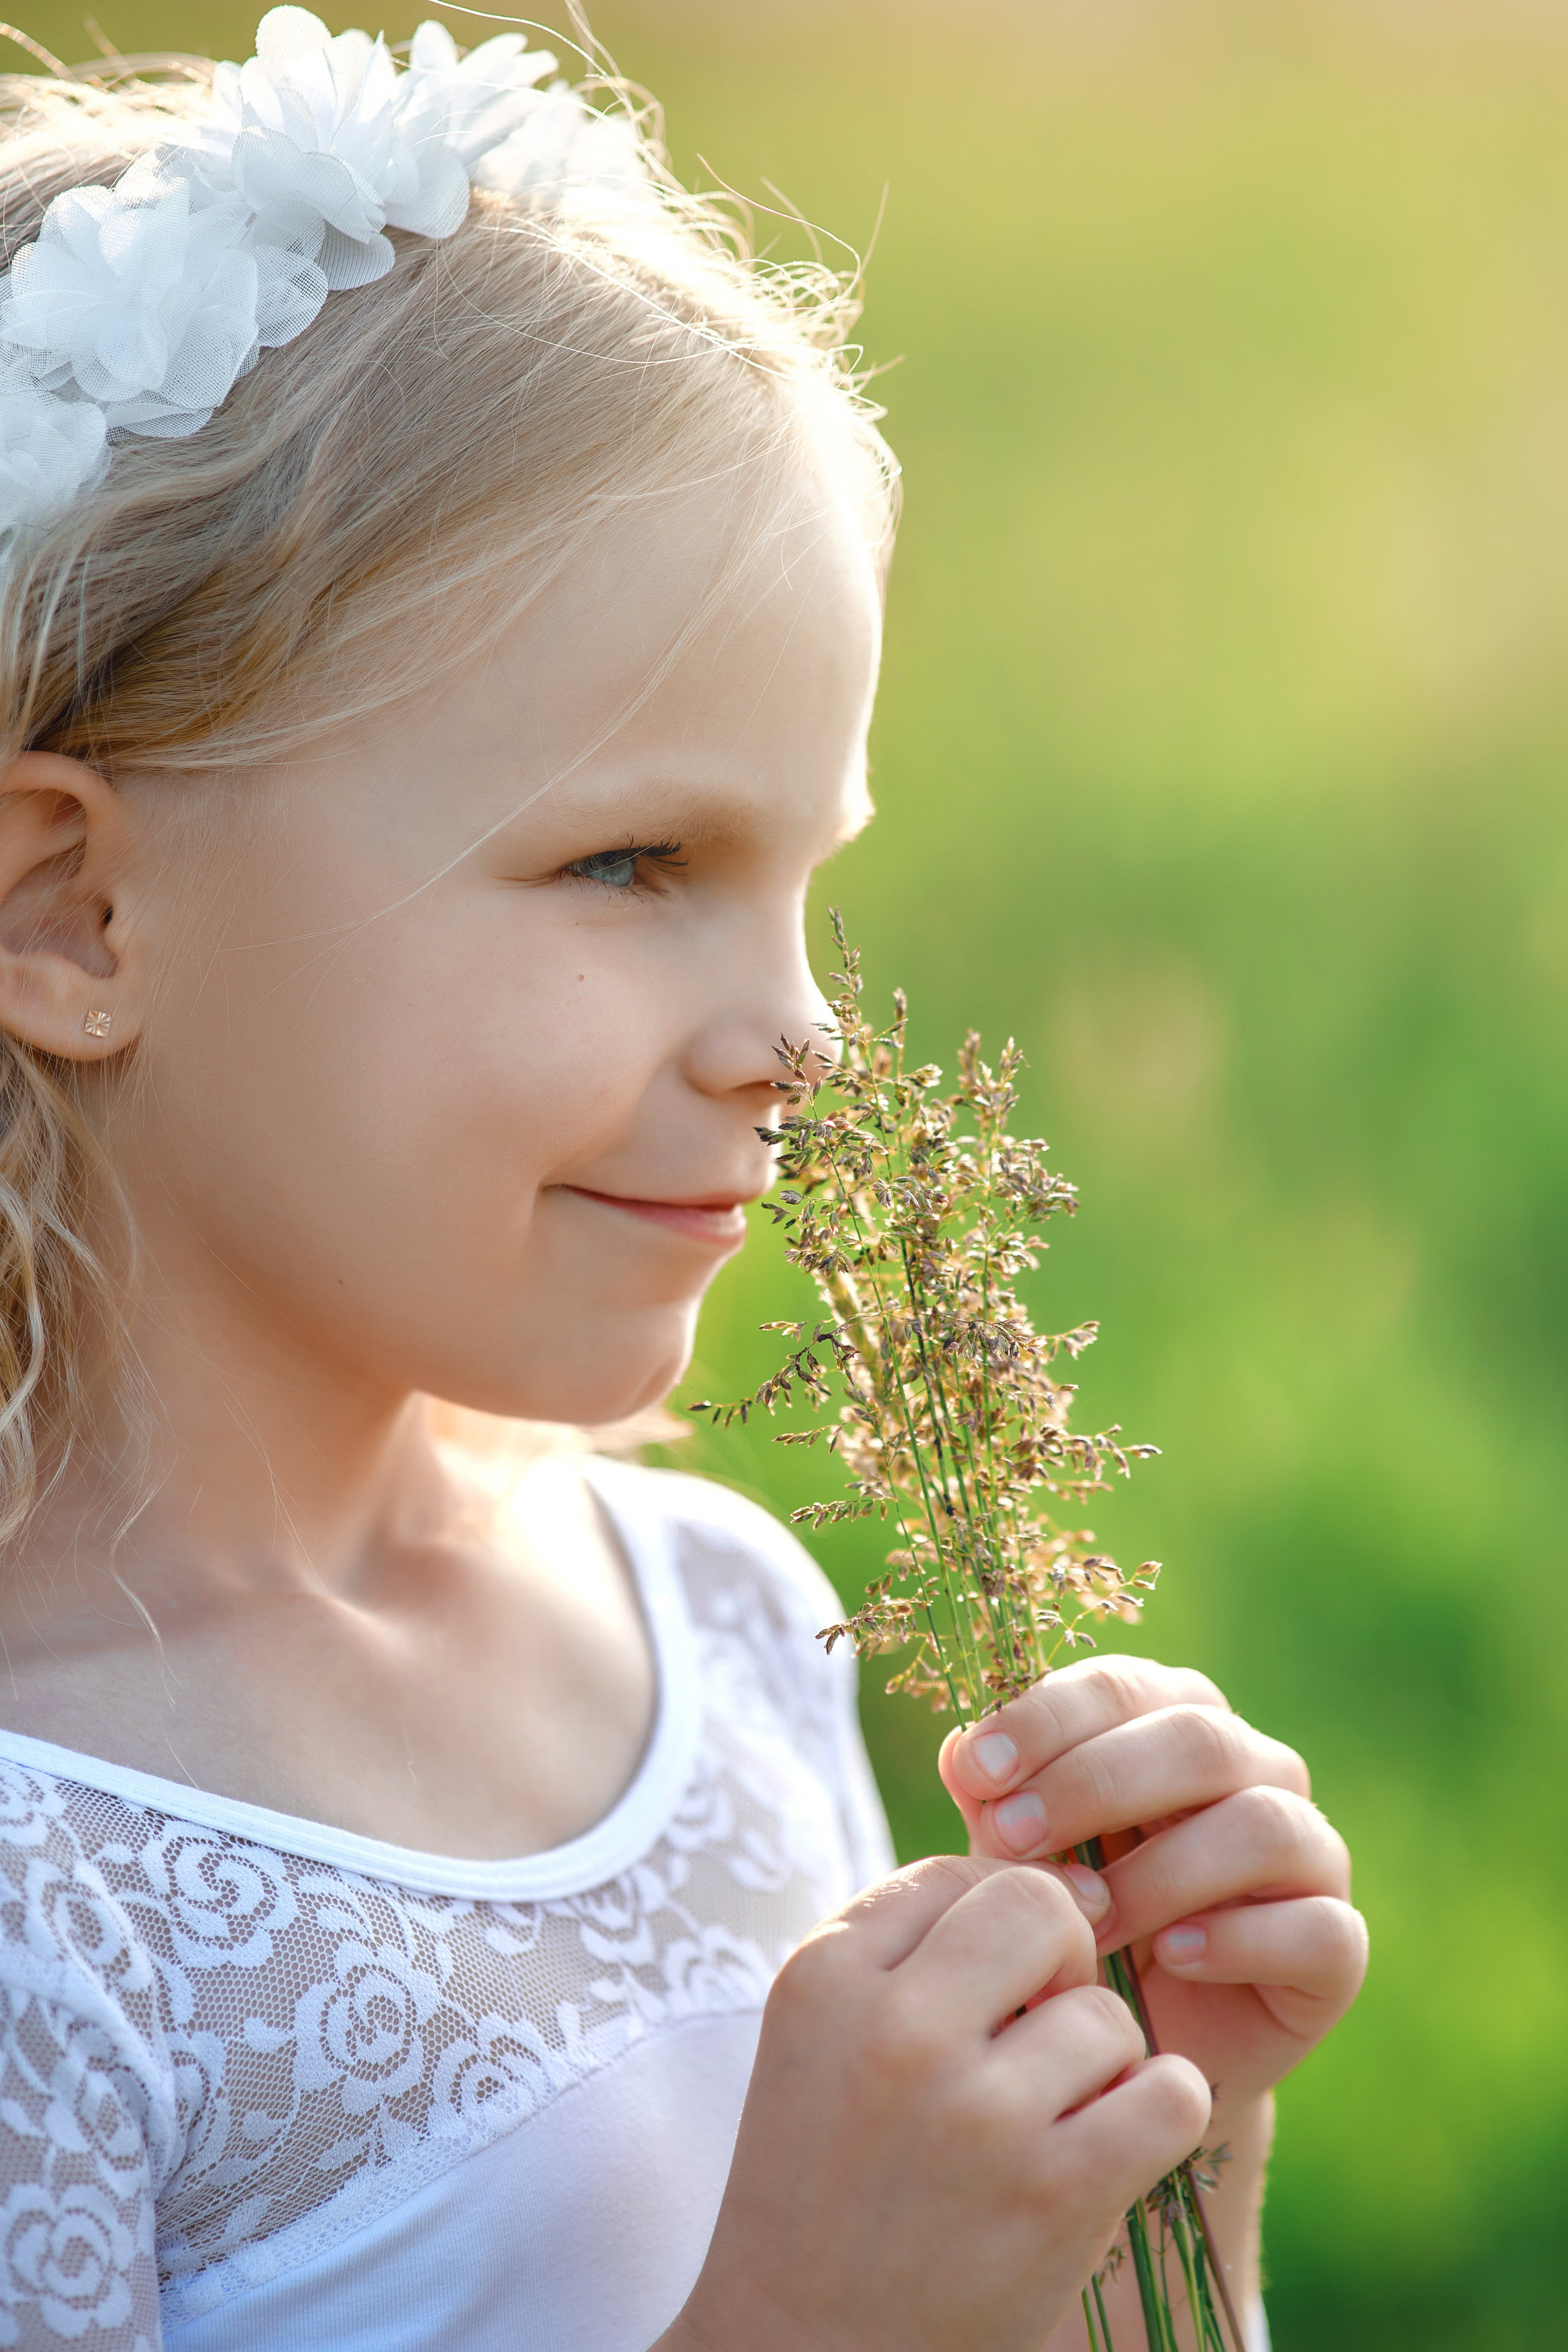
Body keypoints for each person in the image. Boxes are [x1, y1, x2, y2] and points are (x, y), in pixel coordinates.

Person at [0, 12, 1366, 2348]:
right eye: (633, 865)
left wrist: (1171, 2156)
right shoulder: (54, 1909)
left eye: (807, 880)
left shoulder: (721, 1623)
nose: (800, 1036)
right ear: (77, 915)